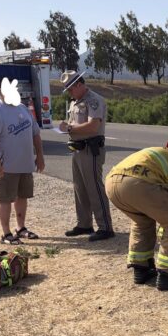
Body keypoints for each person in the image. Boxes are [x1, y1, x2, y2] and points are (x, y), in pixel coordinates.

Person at [105, 138, 168, 291]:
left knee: (142, 222)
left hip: (112, 183)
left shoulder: (157, 153)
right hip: (139, 184)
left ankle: (141, 269)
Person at [0, 79, 45, 244]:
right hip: (5, 166)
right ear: (0, 92)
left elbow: (35, 134)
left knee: (22, 197)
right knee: (5, 199)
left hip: (24, 164)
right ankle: (6, 234)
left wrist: (39, 155)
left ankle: (21, 228)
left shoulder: (23, 108)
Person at [59, 71, 114, 241]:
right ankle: (84, 223)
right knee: (80, 188)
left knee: (94, 188)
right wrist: (70, 127)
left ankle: (105, 227)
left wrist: (69, 129)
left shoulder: (93, 100)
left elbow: (92, 127)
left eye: (70, 89)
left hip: (91, 149)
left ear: (79, 85)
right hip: (78, 149)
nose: (69, 93)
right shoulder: (76, 101)